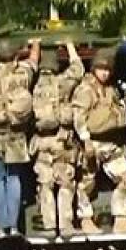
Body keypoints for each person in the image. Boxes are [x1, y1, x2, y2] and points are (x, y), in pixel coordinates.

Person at [0, 39, 39, 235]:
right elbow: (34, 60)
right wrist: (34, 44)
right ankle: (12, 225)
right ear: (15, 55)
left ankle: (0, 223)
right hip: (17, 134)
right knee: (14, 178)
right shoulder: (24, 72)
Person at [32, 40, 93, 236]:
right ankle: (65, 225)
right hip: (61, 141)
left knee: (45, 183)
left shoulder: (32, 85)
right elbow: (78, 68)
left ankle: (50, 226)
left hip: (42, 142)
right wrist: (70, 47)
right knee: (65, 183)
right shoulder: (61, 83)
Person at [73, 48, 126, 233]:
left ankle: (120, 219)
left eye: (108, 69)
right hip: (91, 143)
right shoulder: (85, 89)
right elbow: (79, 117)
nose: (105, 73)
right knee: (86, 184)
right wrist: (85, 141)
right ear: (94, 69)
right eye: (101, 68)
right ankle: (85, 219)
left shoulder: (111, 90)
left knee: (125, 178)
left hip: (110, 143)